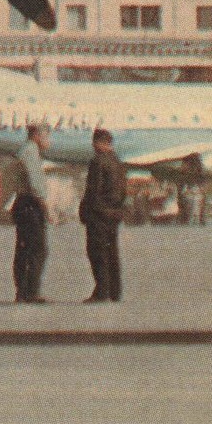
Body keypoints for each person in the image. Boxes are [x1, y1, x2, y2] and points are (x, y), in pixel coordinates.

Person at [80, 128, 127, 302]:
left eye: (94, 142)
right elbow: (122, 191)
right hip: (114, 213)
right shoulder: (117, 162)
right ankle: (115, 292)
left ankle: (101, 292)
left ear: (99, 142)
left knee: (97, 253)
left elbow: (93, 190)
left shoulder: (98, 162)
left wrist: (85, 211)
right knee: (112, 252)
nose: (93, 146)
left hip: (98, 214)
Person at [12, 124, 52, 303]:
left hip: (23, 204)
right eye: (47, 136)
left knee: (24, 249)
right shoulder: (31, 152)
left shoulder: (25, 150)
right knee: (37, 249)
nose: (49, 141)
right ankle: (30, 292)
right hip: (31, 205)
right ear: (36, 136)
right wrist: (46, 208)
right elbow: (35, 184)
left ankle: (23, 292)